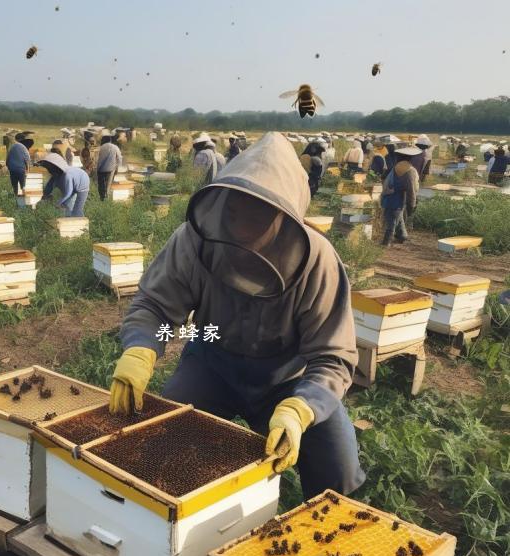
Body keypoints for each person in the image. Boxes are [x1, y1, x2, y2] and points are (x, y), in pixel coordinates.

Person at [108, 132, 364, 500]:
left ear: (284, 218)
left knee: (338, 468)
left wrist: (300, 408)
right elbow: (156, 307)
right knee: (165, 443)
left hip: (288, 379)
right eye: (233, 212)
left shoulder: (318, 261)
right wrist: (142, 348)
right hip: (211, 361)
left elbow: (333, 356)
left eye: (257, 218)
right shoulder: (194, 239)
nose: (241, 229)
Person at [380, 147, 420, 246]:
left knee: (398, 217)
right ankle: (386, 242)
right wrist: (412, 205)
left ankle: (402, 236)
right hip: (396, 199)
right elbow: (411, 190)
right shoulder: (409, 170)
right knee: (393, 222)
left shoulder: (398, 166)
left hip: (390, 197)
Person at [38, 152, 90, 217]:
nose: (50, 171)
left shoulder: (67, 175)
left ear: (57, 167)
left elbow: (68, 193)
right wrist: (44, 196)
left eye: (51, 168)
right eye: (49, 169)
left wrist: (59, 203)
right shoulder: (56, 175)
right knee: (65, 205)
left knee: (77, 209)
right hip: (73, 184)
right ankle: (68, 221)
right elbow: (49, 186)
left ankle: (81, 225)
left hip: (82, 185)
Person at [96, 130, 123, 200]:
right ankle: (107, 197)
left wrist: (97, 168)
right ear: (110, 140)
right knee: (109, 184)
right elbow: (119, 158)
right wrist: (118, 167)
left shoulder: (101, 148)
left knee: (101, 184)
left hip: (101, 169)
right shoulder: (115, 147)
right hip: (111, 169)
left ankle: (102, 197)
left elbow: (98, 159)